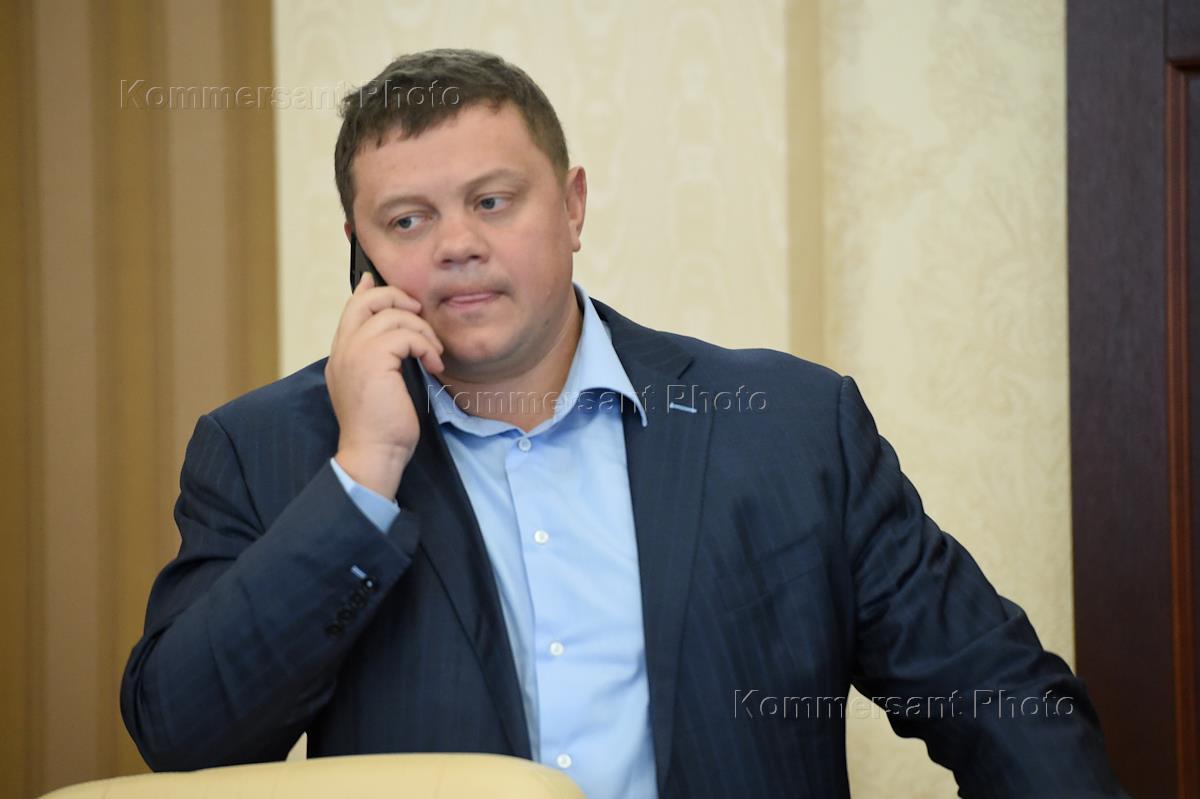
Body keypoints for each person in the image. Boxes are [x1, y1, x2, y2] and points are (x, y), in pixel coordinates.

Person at [121, 49, 1127, 798]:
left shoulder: (789, 427)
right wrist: (365, 470)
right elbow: (187, 738)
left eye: (492, 201)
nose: (458, 245)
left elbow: (997, 695)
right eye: (409, 220)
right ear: (360, 250)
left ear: (572, 206)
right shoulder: (269, 451)